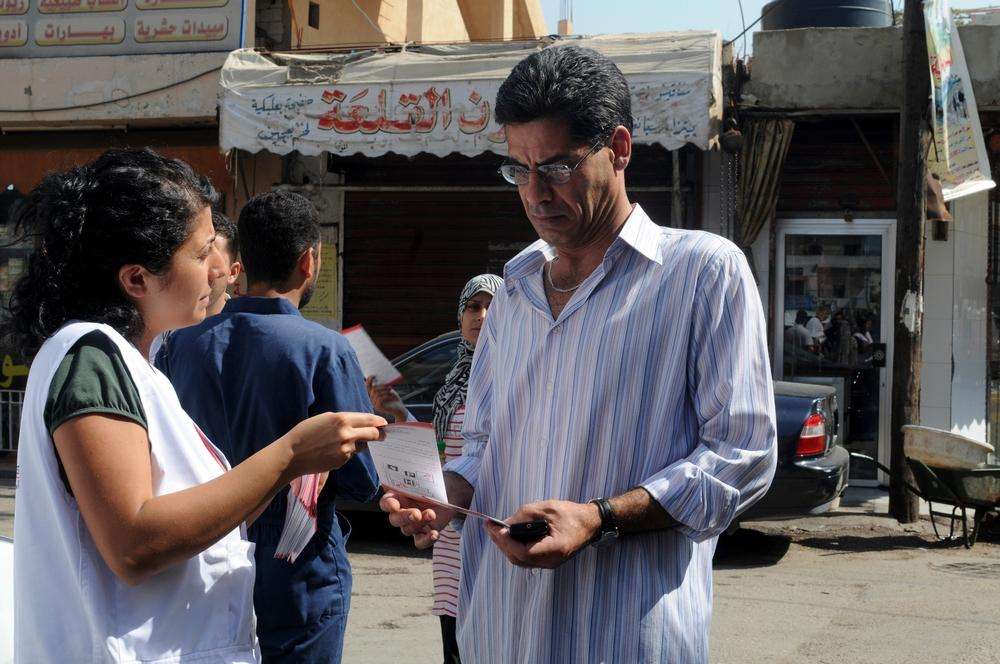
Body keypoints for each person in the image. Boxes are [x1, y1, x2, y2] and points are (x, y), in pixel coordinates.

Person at [380, 46, 777, 663]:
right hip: (498, 635)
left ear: (619, 148)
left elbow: (743, 456)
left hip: (624, 641)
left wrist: (601, 519)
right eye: (519, 169)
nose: (536, 192)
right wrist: (442, 497)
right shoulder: (511, 291)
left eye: (559, 166)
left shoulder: (703, 274)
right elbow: (483, 444)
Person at [7, 149, 384, 663]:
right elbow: (135, 543)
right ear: (137, 280)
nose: (222, 269)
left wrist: (307, 459)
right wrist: (291, 453)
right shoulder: (90, 358)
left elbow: (210, 514)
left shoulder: (145, 362)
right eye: (202, 251)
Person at [155, 190, 379, 663]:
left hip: (209, 557)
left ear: (242, 262)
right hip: (298, 569)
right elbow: (361, 483)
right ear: (308, 262)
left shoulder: (181, 347)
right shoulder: (325, 350)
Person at [430, 274, 503, 664]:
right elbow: (444, 448)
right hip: (449, 531)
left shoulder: (511, 374)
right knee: (453, 641)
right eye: (473, 307)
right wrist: (394, 412)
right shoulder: (452, 383)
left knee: (489, 638)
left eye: (491, 305)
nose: (481, 315)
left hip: (491, 525)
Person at [149, 210, 242, 360]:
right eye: (200, 257)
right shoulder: (160, 331)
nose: (203, 272)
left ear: (232, 272)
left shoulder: (242, 336)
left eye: (215, 261)